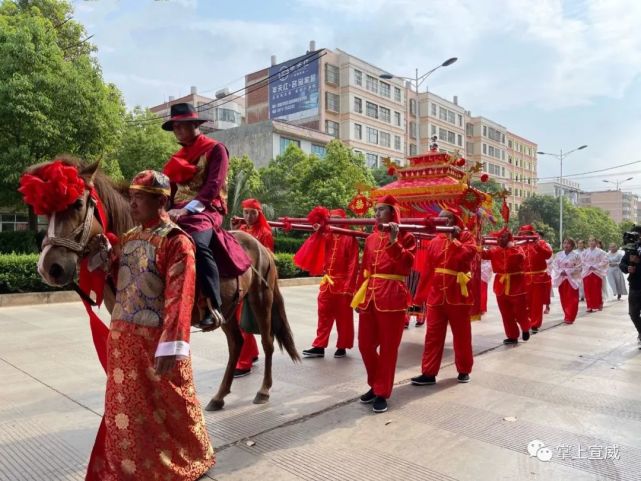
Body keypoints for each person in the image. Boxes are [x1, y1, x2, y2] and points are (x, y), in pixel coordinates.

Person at [88, 170, 214, 480]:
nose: (131, 205)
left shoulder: (176, 242)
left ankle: (190, 455)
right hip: (123, 340)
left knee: (174, 404)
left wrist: (172, 346)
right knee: (128, 411)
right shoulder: (129, 238)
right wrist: (107, 262)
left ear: (160, 201)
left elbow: (179, 299)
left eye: (139, 198)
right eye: (131, 198)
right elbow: (126, 283)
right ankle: (130, 466)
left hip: (155, 341)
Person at [162, 102, 250, 329]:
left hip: (207, 209)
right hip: (177, 211)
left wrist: (186, 209)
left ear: (194, 124)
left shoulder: (215, 149)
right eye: (175, 127)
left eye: (182, 126)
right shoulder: (177, 156)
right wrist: (164, 208)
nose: (178, 131)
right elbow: (170, 190)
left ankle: (214, 305)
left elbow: (213, 185)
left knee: (197, 245)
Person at [352, 195, 416, 413]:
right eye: (376, 210)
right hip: (370, 296)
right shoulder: (370, 239)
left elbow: (407, 266)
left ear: (393, 213)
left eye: (381, 210)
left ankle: (381, 392)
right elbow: (364, 269)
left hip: (393, 297)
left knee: (389, 348)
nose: (376, 214)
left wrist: (394, 242)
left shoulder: (407, 237)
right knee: (364, 345)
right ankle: (376, 382)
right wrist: (358, 296)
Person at [410, 209, 477, 386]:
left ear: (453, 220)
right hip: (436, 295)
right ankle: (428, 373)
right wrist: (419, 298)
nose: (442, 221)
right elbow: (427, 271)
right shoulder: (434, 242)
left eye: (445, 218)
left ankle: (464, 369)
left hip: (458, 294)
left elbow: (467, 256)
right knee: (432, 335)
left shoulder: (466, 237)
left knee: (462, 335)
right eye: (440, 218)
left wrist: (454, 240)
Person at [302, 209, 360, 359]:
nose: (333, 222)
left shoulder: (350, 238)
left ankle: (342, 346)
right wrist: (318, 231)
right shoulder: (327, 236)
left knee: (344, 318)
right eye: (331, 219)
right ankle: (319, 346)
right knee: (323, 315)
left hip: (343, 285)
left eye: (337, 219)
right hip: (327, 283)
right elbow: (315, 247)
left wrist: (349, 287)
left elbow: (353, 264)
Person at [230, 198, 274, 377]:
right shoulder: (241, 230)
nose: (248, 216)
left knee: (243, 323)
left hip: (256, 284)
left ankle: (244, 362)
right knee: (242, 320)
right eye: (245, 212)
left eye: (252, 213)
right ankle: (253, 353)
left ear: (259, 213)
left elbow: (268, 260)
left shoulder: (265, 233)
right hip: (241, 280)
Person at [481, 228, 530, 344]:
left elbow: (520, 258)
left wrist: (511, 247)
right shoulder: (494, 250)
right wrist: (479, 242)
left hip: (516, 284)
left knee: (520, 311)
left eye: (503, 237)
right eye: (499, 238)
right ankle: (512, 335)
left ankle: (525, 327)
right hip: (500, 285)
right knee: (505, 313)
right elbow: (482, 254)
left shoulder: (517, 248)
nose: (500, 240)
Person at [518, 225, 553, 333]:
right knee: (525, 302)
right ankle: (527, 322)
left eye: (527, 234)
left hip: (539, 277)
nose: (524, 236)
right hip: (524, 277)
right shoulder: (519, 245)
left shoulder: (541, 243)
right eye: (523, 234)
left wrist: (537, 245)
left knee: (537, 303)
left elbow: (548, 255)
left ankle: (535, 324)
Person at [552, 238, 583, 324]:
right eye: (564, 243)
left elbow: (579, 267)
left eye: (568, 243)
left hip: (572, 279)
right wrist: (560, 271)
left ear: (572, 245)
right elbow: (555, 265)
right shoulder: (558, 254)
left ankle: (571, 316)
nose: (566, 245)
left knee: (572, 298)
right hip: (562, 278)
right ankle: (566, 314)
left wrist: (568, 271)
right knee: (563, 298)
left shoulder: (576, 255)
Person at [619, 232, 641, 347]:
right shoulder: (632, 248)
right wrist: (627, 268)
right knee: (633, 313)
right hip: (635, 286)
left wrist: (639, 262)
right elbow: (622, 263)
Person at [581, 236, 608, 312]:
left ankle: (599, 304)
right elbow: (582, 261)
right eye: (590, 241)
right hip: (587, 272)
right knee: (587, 289)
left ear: (596, 242)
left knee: (596, 289)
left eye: (593, 241)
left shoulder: (601, 252)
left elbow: (605, 261)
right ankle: (589, 306)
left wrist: (596, 266)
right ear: (588, 242)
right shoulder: (585, 252)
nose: (591, 242)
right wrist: (589, 266)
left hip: (597, 272)